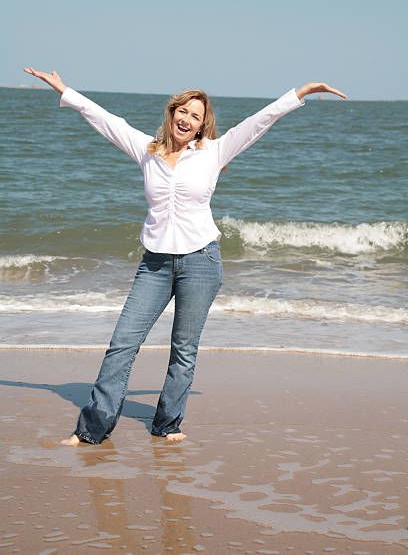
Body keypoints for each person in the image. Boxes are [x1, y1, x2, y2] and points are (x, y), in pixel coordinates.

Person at [23, 66, 347, 445]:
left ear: (200, 126)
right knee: (122, 343)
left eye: (196, 116)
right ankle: (92, 428)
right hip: (155, 265)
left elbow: (258, 122)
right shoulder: (147, 151)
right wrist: (65, 90)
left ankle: (167, 424)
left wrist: (301, 92)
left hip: (201, 262)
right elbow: (107, 121)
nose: (187, 119)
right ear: (172, 112)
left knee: (183, 350)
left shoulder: (214, 152)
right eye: (183, 111)